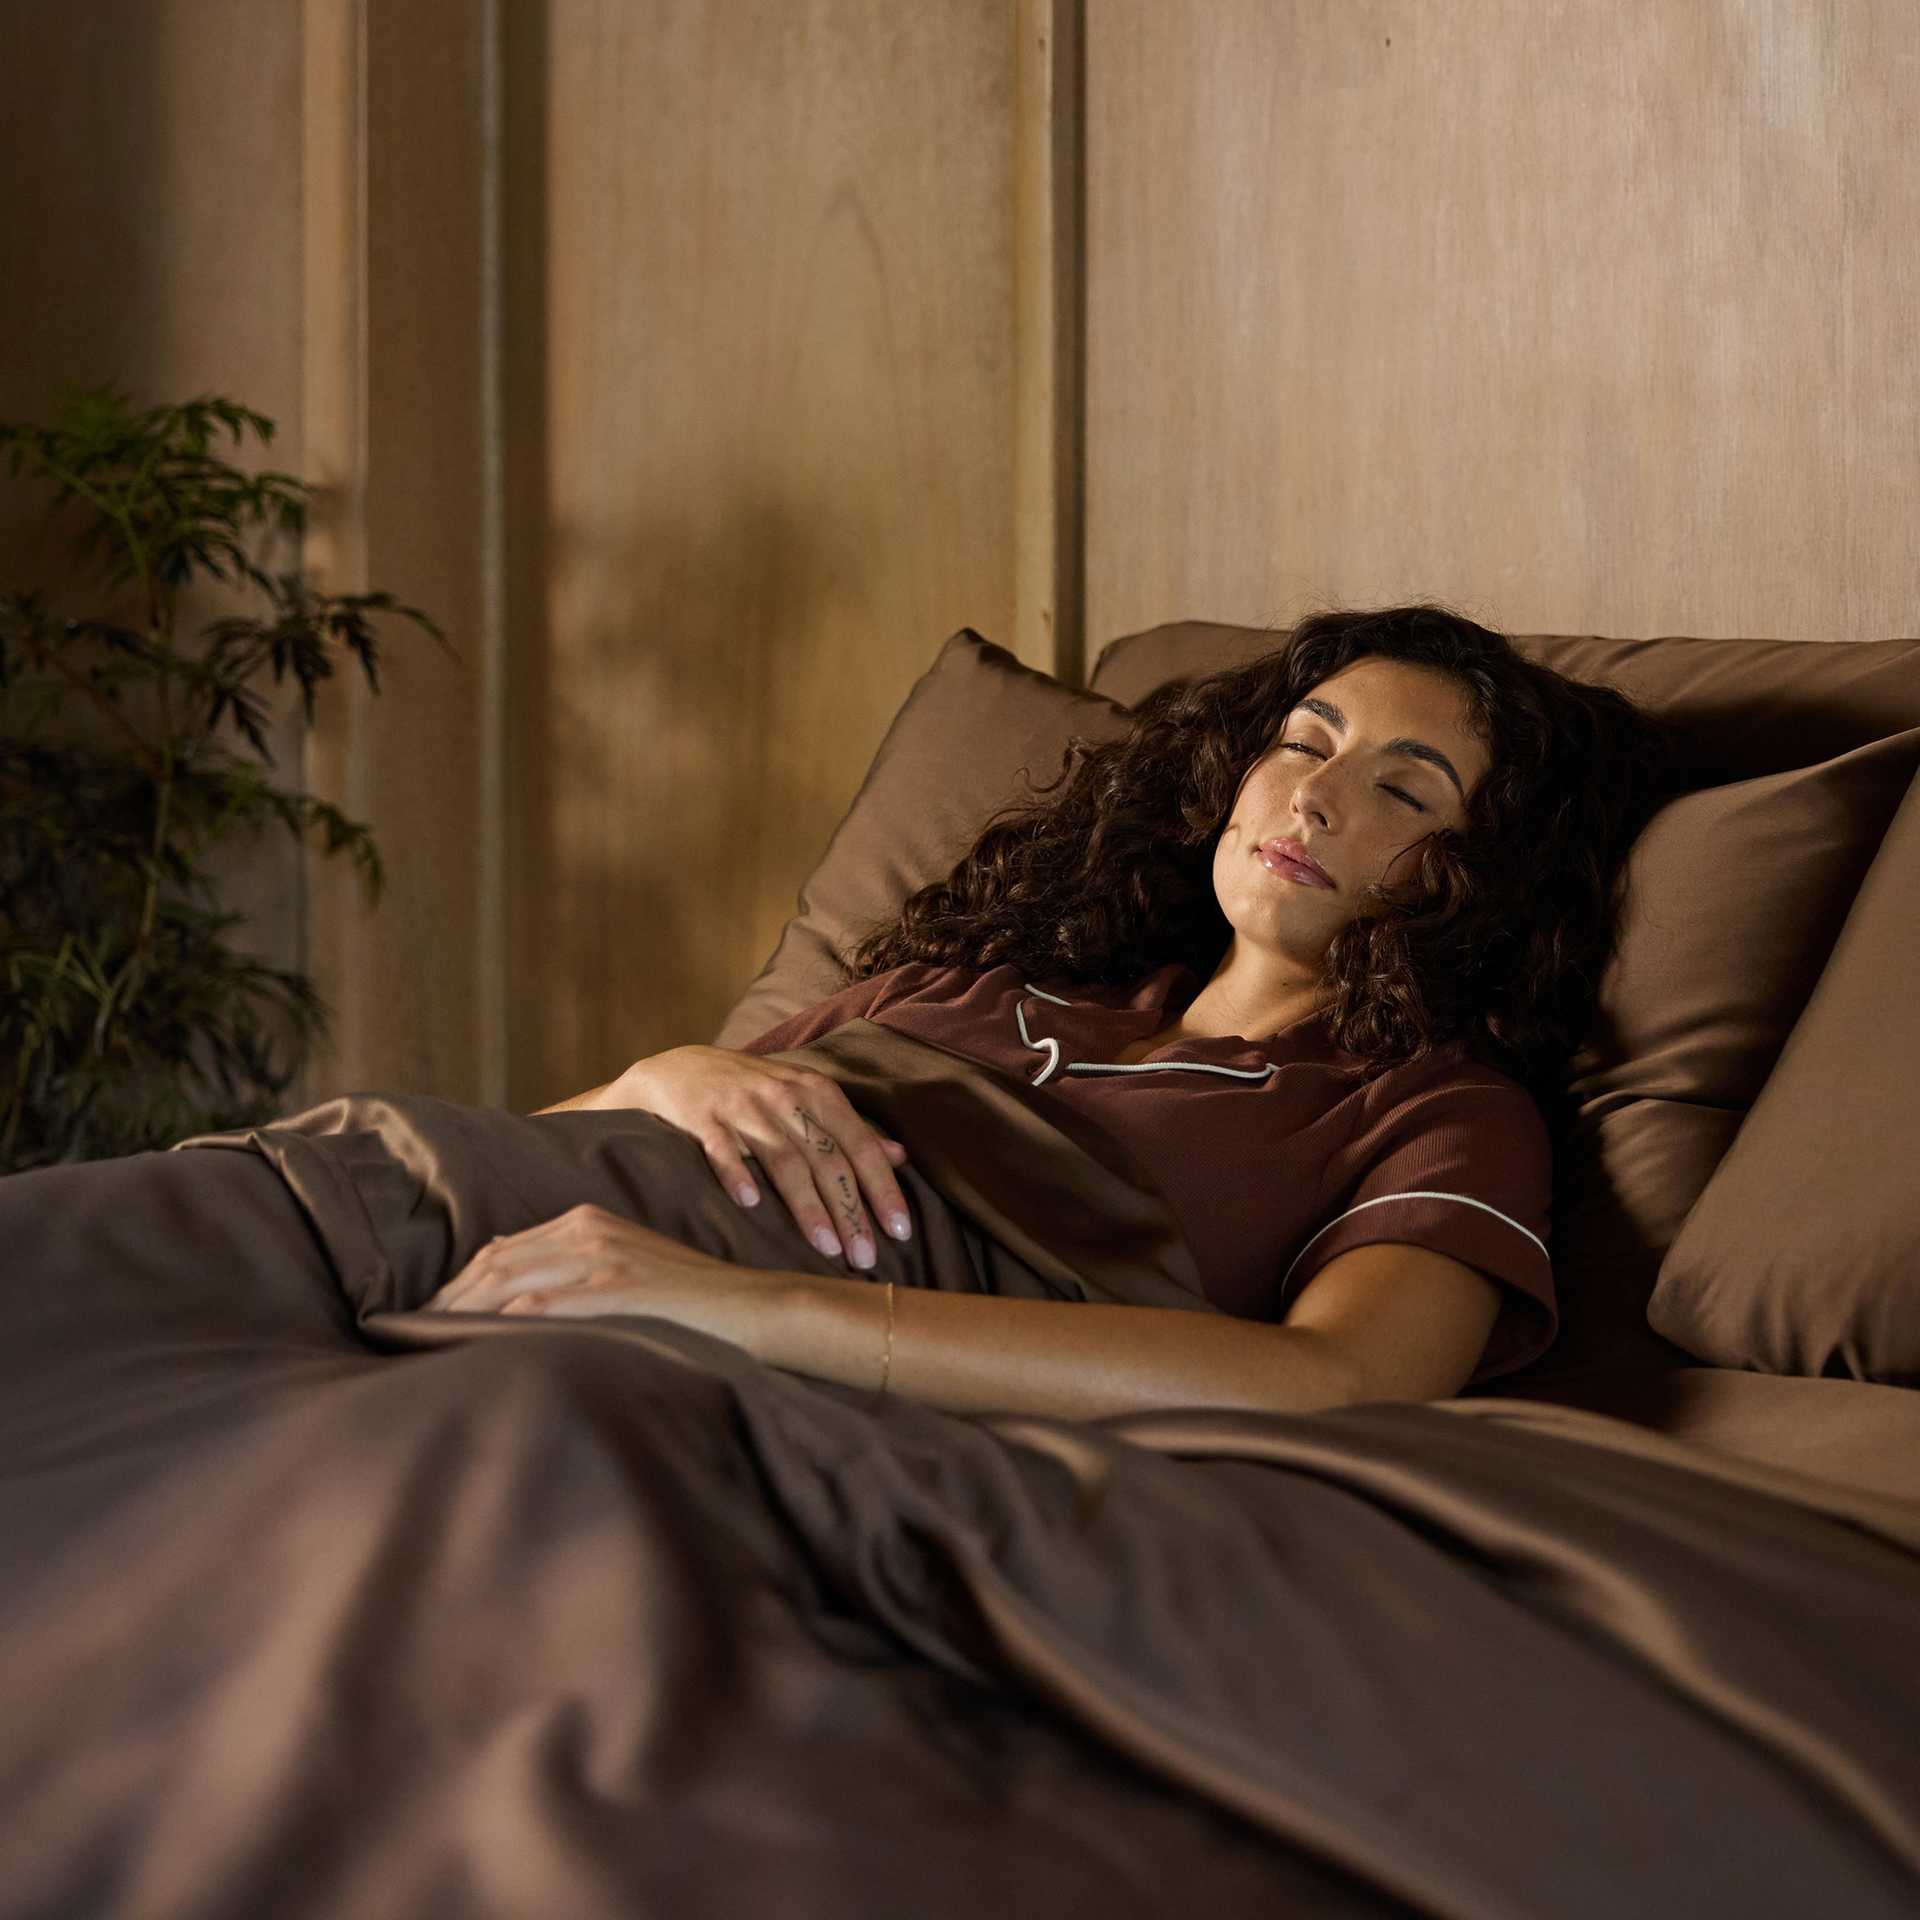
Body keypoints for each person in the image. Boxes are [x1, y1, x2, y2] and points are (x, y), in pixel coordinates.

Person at [426, 603, 1678, 1422]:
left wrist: (736, 1306)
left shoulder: (1434, 1110)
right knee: (289, 1206)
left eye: (1407, 793)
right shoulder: (959, 987)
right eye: (1306, 742)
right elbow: (531, 1159)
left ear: (1485, 881)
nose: (1316, 800)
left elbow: (1340, 1379)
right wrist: (659, 1075)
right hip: (489, 1239)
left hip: (705, 1353)